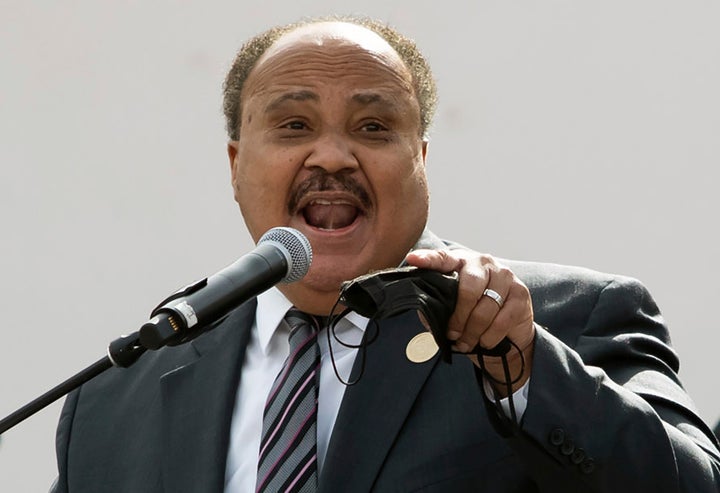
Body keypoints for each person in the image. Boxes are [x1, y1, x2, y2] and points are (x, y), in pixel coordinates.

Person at [51, 15, 720, 492]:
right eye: (294, 125)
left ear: (421, 158)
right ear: (235, 164)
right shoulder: (116, 395)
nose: (335, 156)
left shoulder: (565, 319)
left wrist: (524, 375)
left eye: (374, 126)